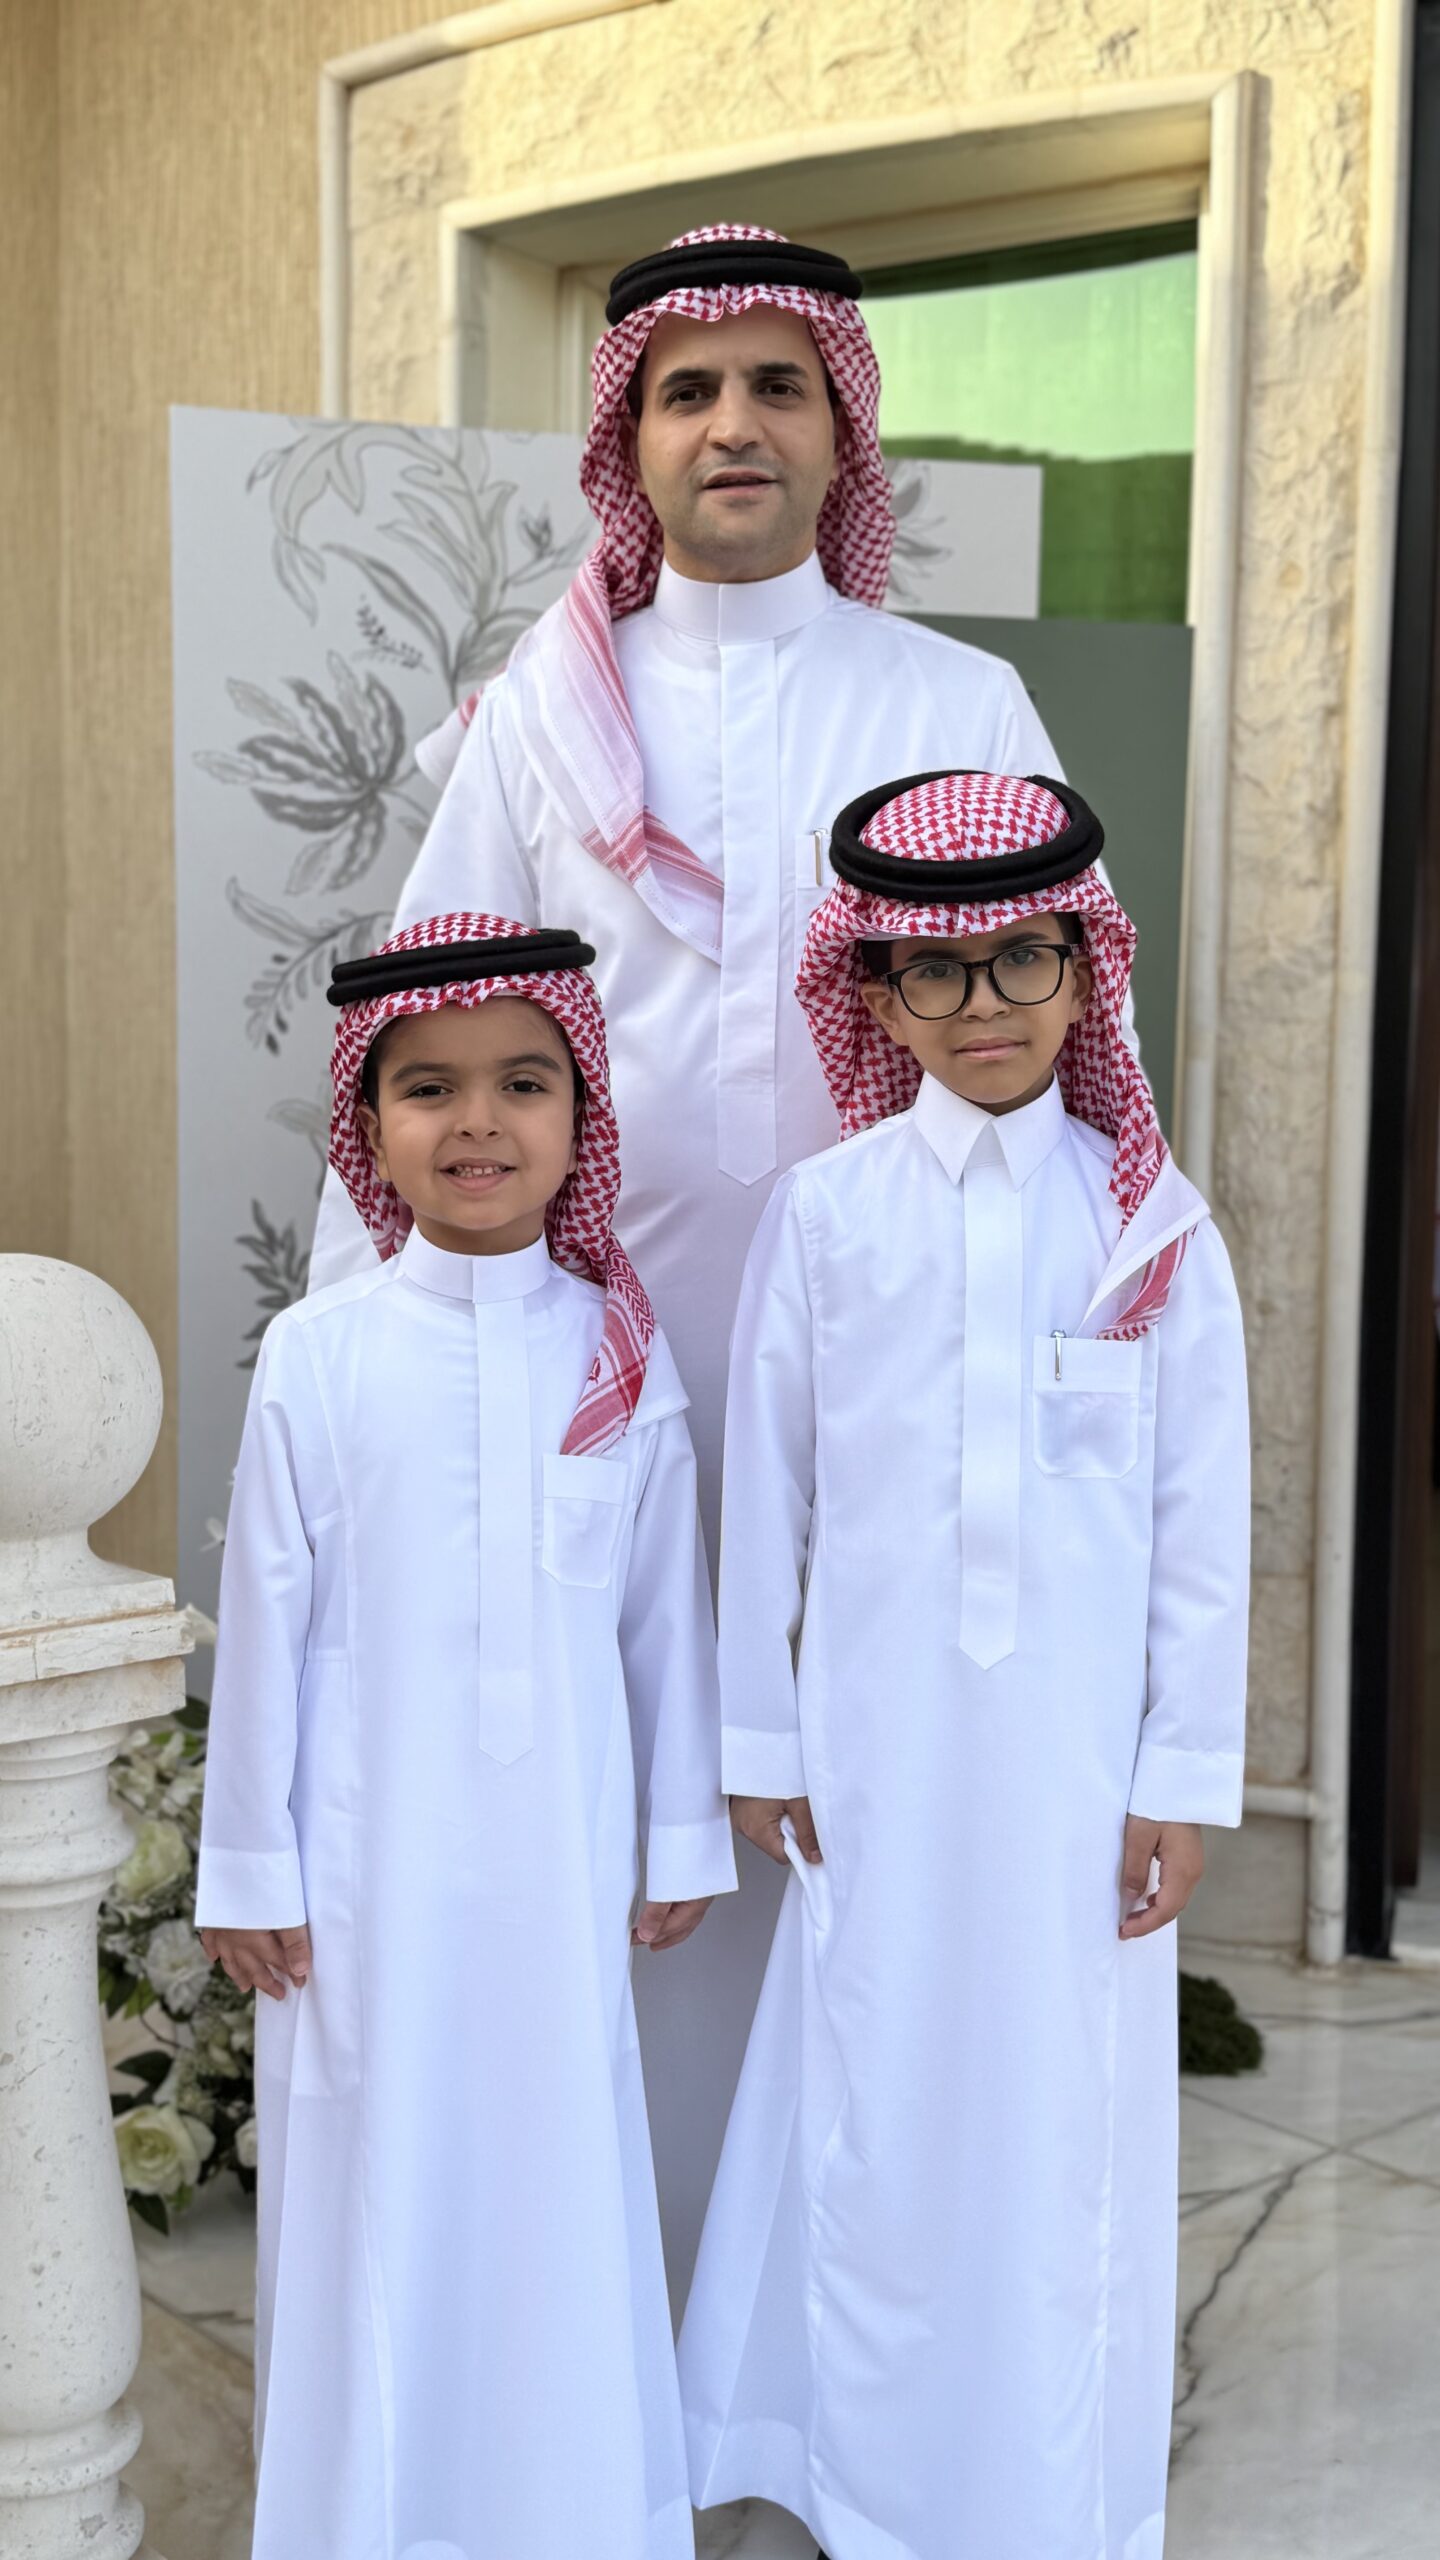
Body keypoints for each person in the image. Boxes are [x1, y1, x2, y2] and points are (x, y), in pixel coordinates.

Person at [678, 772, 1250, 2560]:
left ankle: (1048, 2485)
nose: (983, 1002)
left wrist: (1179, 1775)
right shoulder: (829, 1213)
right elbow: (765, 1492)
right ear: (877, 992)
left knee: (1064, 2114)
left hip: (1080, 1781)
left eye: (1022, 960)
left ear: (1087, 971)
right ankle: (863, 2469)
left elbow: (1201, 1522)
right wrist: (760, 1738)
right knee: (878, 2097)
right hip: (878, 1758)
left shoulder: (1153, 1229)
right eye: (935, 969)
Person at [308, 222, 1062, 1539]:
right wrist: (350, 1342)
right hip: (584, 1318)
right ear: (633, 440)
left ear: (841, 430)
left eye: (778, 386)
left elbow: (1067, 1032)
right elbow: (415, 1031)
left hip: (897, 1321)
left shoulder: (961, 704)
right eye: (689, 392)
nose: (733, 426)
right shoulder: (544, 717)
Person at [196, 914, 735, 2560]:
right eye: (428, 1089)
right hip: (366, 1884)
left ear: (583, 1114)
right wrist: (249, 1865)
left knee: (555, 2180)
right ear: (368, 1125)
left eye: (523, 1083)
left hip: (560, 1868)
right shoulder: (322, 1352)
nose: (478, 1122)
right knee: (376, 2190)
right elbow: (266, 1619)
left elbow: (664, 1618)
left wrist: (681, 1831)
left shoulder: (617, 1355)